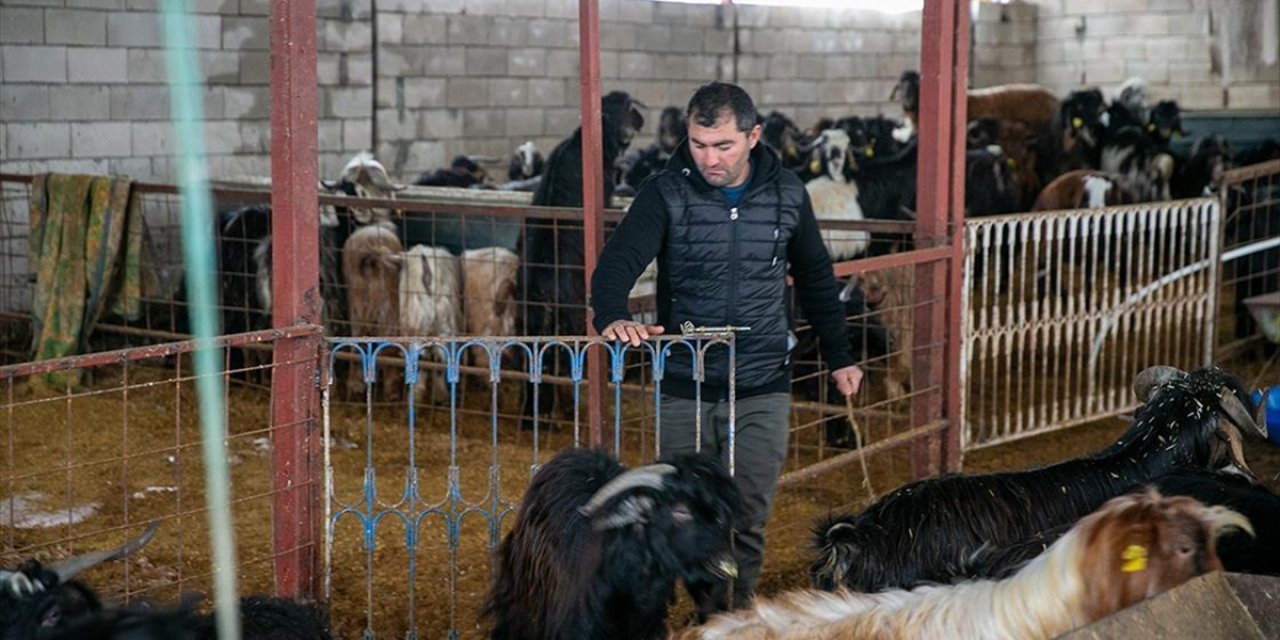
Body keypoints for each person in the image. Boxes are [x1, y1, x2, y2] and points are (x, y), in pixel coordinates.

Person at [589, 80, 864, 609]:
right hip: (685, 385)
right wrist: (613, 314)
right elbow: (619, 261)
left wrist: (840, 356)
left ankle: (729, 616)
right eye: (699, 144)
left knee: (747, 515)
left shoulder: (788, 194)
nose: (709, 158)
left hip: (762, 382)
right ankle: (693, 607)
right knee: (682, 513)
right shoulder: (664, 192)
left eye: (724, 146)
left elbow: (815, 277)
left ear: (753, 136)